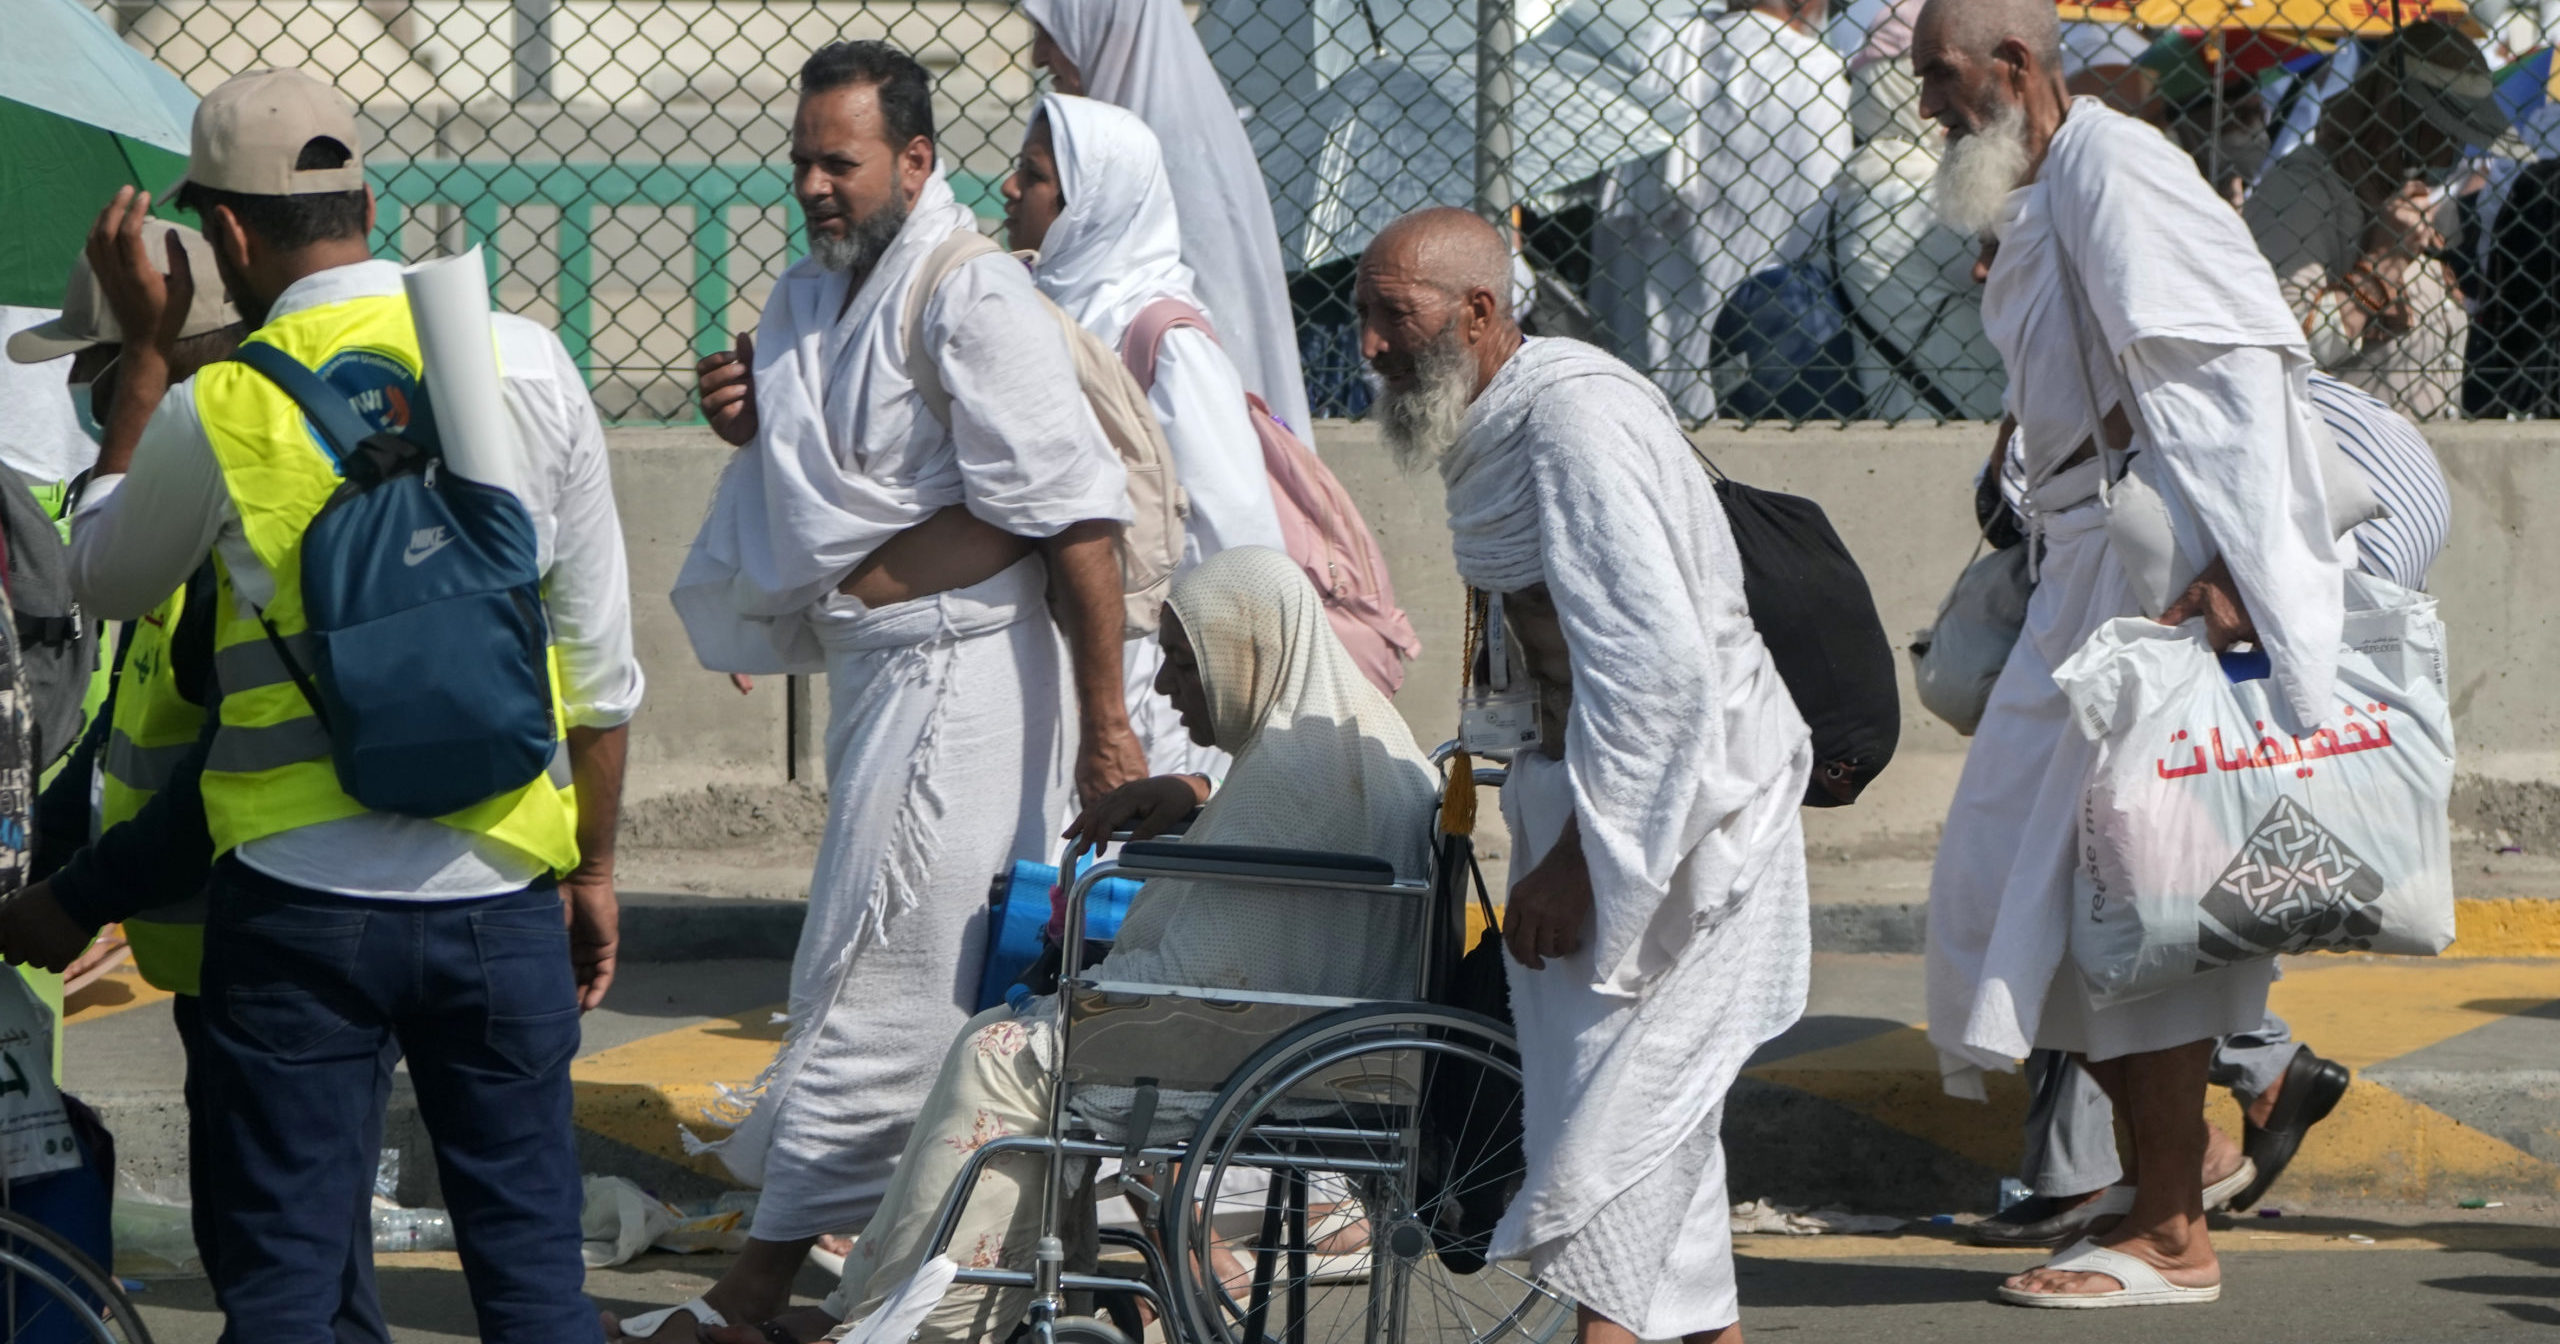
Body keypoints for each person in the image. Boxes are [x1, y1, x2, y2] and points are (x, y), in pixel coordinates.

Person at [69, 67, 641, 1341]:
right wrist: (591, 874)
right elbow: (600, 673)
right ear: (366, 200)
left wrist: (151, 359)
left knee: (285, 1290)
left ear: (221, 234)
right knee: (535, 1279)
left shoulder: (222, 406)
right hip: (500, 891)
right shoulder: (529, 361)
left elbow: (101, 579)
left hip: (299, 908)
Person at [647, 41, 1144, 1340]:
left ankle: (754, 1291)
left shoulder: (969, 295)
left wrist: (1108, 735)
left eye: (840, 161)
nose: (813, 183)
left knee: (893, 979)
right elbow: (838, 465)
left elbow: (1078, 523)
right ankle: (937, 1283)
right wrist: (757, 426)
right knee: (870, 976)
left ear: (915, 162)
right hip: (883, 684)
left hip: (967, 689)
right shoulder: (814, 297)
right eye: (802, 159)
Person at [671, 546, 1439, 1344]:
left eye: (1182, 664)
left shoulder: (1296, 772)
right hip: (1310, 1031)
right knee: (1005, 1044)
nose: (1169, 689)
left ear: (1250, 658)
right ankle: (877, 1310)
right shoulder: (1335, 741)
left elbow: (1219, 955)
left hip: (1270, 1043)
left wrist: (1099, 988)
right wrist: (1196, 796)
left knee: (999, 1055)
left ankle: (925, 1323)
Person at [1912, 0, 2352, 1307]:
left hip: (2144, 595)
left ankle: (2171, 1232)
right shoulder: (2055, 179)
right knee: (2029, 914)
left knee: (2132, 920)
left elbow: (2231, 379)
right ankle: (2189, 1165)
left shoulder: (2114, 165)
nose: (1926, 106)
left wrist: (2235, 572)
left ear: (2013, 68)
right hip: (2078, 587)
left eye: (1941, 78)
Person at [1361, 206, 1812, 1344]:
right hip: (1594, 798)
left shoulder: (1572, 425)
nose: (1368, 345)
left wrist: (1578, 863)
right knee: (1649, 1143)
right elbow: (1534, 647)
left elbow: (1657, 673)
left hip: (1675, 821)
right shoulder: (1503, 419)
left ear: (1477, 314)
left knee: (1609, 1148)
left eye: (1392, 317)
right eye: (1361, 315)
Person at [1974, 368, 2447, 1248]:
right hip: (2364, 491)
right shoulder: (2113, 290)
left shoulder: (2099, 261)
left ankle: (2158, 1179)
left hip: (2289, 521)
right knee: (2130, 868)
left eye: (1997, 248)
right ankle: (2169, 1150)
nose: (1978, 268)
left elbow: (2013, 513)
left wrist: (2240, 569)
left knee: (2123, 869)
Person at [1003, 93, 1287, 782]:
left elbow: (1239, 542)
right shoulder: (1026, 304)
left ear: (1092, 202)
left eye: (1035, 176)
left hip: (1144, 683)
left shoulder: (1164, 342)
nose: (1010, 188)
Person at [1023, 0, 1316, 442]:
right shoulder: (1106, 142)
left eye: (1053, 33)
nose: (1038, 56)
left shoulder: (1172, 154)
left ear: (1110, 28)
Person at [1589, 0, 1850, 420]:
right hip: (1776, 352)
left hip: (1639, 379)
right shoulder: (1816, 71)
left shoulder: (1658, 53)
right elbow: (1827, 232)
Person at [2243, 22, 2507, 421]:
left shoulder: (2406, 201)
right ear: (2390, 107)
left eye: (2459, 132)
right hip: (2339, 465)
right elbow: (2283, 349)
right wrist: (2380, 266)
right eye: (2438, 125)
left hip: (2424, 464)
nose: (2450, 147)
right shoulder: (2302, 191)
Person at [1835, 0, 2005, 419]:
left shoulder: (1865, 183)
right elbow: (2037, 258)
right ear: (1905, 89)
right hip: (1957, 438)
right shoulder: (1914, 199)